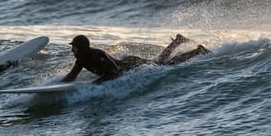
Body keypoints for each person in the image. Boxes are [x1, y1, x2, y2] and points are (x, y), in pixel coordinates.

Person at [62, 34, 209, 83]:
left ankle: (197, 51)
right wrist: (56, 84)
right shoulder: (80, 59)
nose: (72, 50)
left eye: (74, 47)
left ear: (81, 47)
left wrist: (96, 83)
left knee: (165, 64)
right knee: (159, 61)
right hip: (127, 64)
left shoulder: (97, 55)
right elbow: (71, 76)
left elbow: (116, 71)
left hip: (131, 64)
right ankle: (177, 41)